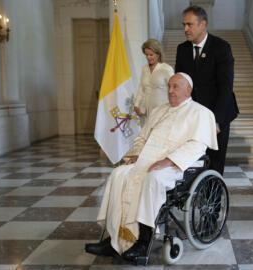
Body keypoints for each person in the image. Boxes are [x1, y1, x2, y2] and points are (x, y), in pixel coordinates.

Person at [85, 73, 218, 263]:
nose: (170, 91)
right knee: (119, 173)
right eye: (169, 87)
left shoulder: (201, 113)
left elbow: (196, 146)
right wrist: (136, 155)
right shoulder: (158, 110)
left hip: (176, 166)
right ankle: (114, 239)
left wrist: (169, 160)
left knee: (152, 178)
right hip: (147, 159)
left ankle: (142, 241)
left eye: (176, 87)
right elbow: (142, 138)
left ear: (188, 90)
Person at [175, 5, 239, 175]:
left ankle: (214, 201)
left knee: (214, 165)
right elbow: (180, 84)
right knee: (192, 163)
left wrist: (216, 120)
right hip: (192, 117)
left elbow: (225, 87)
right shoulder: (182, 50)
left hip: (216, 114)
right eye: (184, 25)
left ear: (203, 24)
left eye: (190, 24)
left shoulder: (221, 47)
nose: (185, 29)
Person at [134, 39, 174, 119]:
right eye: (146, 55)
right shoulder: (144, 69)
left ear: (158, 54)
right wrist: (136, 104)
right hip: (147, 110)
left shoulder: (166, 68)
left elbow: (173, 89)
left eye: (151, 55)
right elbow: (141, 88)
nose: (148, 57)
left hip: (163, 110)